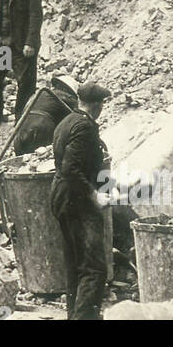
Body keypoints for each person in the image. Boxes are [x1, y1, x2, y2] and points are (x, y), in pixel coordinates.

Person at [50, 91, 111, 320]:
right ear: (97, 105)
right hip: (77, 201)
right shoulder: (85, 127)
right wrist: (94, 195)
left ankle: (74, 315)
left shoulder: (66, 121)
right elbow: (71, 169)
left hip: (62, 197)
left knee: (75, 264)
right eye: (102, 104)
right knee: (94, 268)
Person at [14, 75, 80, 156]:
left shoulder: (39, 94)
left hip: (20, 129)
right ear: (68, 90)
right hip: (41, 128)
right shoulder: (66, 97)